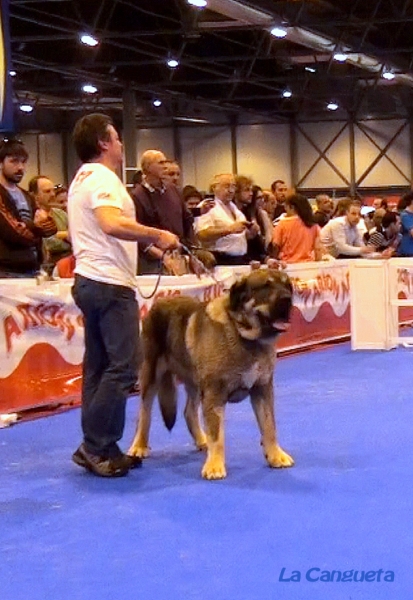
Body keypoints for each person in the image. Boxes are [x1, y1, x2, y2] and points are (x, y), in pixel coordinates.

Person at [68, 113, 179, 477]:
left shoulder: (80, 178)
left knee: (99, 367)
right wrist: (156, 235)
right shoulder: (103, 178)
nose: (120, 143)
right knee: (126, 365)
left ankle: (103, 446)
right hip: (109, 284)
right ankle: (95, 444)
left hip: (89, 279)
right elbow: (110, 224)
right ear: (103, 142)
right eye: (115, 137)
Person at [0, 138, 57, 276]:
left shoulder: (27, 196)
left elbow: (51, 227)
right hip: (6, 271)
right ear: (1, 163)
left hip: (32, 268)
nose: (20, 167)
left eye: (23, 162)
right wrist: (37, 227)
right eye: (14, 161)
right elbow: (12, 233)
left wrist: (33, 227)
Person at [272, 192, 323, 263]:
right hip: (308, 264)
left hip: (288, 265)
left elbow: (275, 246)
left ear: (292, 207)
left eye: (286, 207)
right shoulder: (314, 225)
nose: (285, 210)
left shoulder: (282, 223)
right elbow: (318, 249)